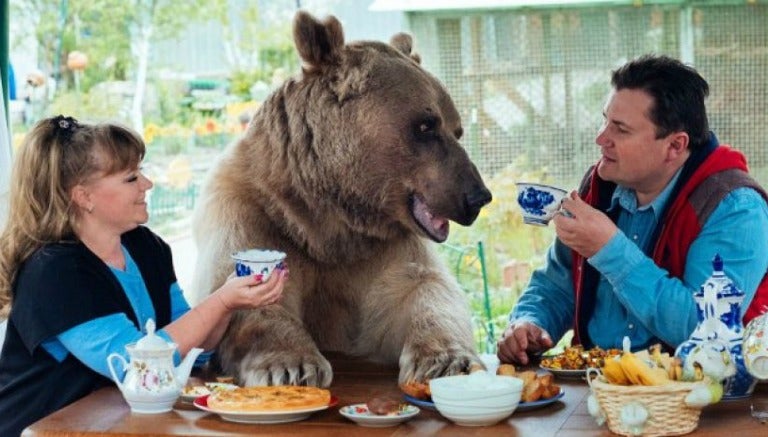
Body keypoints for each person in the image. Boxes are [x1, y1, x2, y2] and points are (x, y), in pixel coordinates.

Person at [0, 115, 289, 436]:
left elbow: (192, 352)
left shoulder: (145, 246)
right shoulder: (54, 272)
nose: (147, 185)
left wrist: (233, 301)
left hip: (113, 425)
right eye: (130, 178)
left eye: (142, 172)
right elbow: (137, 365)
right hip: (40, 430)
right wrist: (221, 300)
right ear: (84, 197)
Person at [497, 55, 768, 365]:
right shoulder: (599, 185)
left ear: (675, 146)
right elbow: (557, 284)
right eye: (604, 120)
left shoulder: (735, 208)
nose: (601, 138)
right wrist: (529, 324)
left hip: (697, 401)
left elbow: (708, 331)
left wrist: (609, 250)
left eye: (621, 130)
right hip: (596, 387)